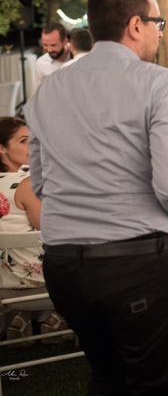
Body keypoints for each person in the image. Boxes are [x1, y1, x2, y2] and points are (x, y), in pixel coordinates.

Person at [25, 0, 168, 395]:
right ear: (135, 25)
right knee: (157, 384)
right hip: (134, 266)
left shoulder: (47, 92)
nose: (160, 32)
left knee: (106, 376)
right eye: (158, 23)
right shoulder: (159, 82)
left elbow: (42, 183)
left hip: (64, 269)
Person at [0, 117, 69, 343]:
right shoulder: (27, 184)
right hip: (36, 282)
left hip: (3, 283)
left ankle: (26, 316)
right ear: (1, 148)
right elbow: (50, 232)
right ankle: (56, 316)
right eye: (23, 141)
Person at [34, 22, 71, 90]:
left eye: (53, 45)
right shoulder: (41, 63)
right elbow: (38, 94)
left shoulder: (78, 56)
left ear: (65, 41)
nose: (49, 50)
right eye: (45, 45)